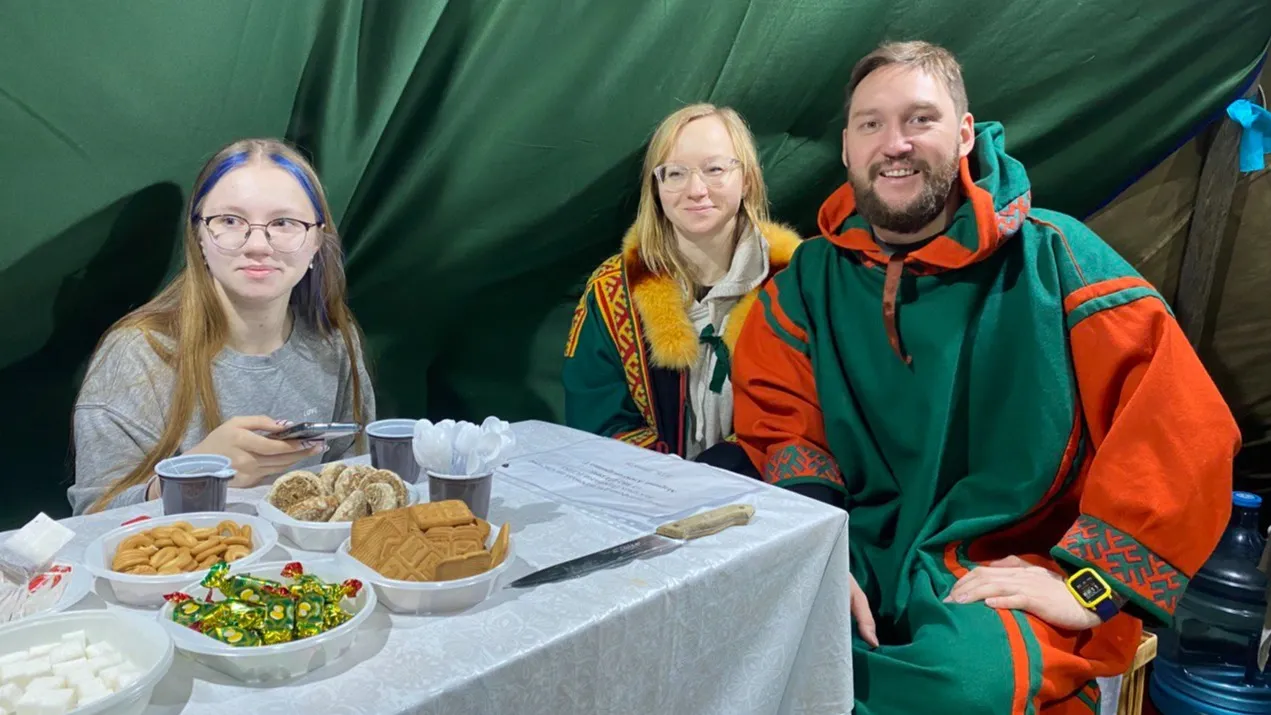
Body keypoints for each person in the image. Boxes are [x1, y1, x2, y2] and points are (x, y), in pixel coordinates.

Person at [731, 41, 1241, 714]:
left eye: (920, 119)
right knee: (749, 652)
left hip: (998, 560)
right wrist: (817, 556)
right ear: (848, 150)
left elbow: (1179, 423)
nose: (895, 144)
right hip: (848, 547)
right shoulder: (807, 283)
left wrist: (1090, 583)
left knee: (967, 689)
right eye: (870, 124)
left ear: (964, 133)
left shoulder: (1053, 259)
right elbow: (784, 425)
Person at [70, 138, 376, 515]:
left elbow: (358, 490)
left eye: (284, 223)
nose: (258, 244)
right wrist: (190, 478)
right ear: (199, 236)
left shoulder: (334, 345)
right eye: (230, 221)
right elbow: (91, 519)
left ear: (317, 240)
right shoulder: (138, 354)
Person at [562, 103, 800, 472]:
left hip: (765, 499)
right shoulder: (612, 294)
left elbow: (801, 417)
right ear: (656, 188)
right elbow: (598, 422)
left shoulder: (795, 286)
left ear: (748, 178)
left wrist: (720, 470)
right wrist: (676, 484)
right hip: (643, 497)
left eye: (715, 169)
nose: (696, 189)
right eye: (675, 173)